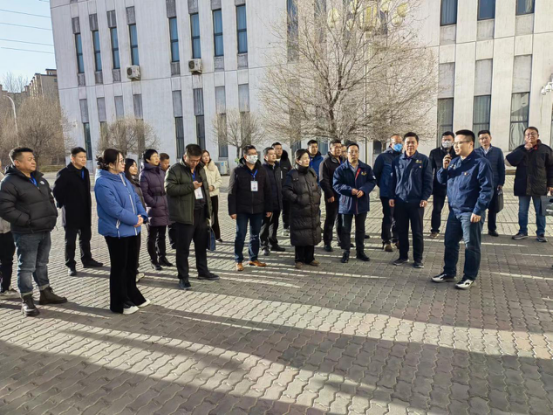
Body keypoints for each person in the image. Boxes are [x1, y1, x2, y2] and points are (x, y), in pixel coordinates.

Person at [0, 147, 67, 317]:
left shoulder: (39, 178)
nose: (33, 161)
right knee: (26, 267)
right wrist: (27, 221)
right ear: (17, 162)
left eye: (33, 158)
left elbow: (50, 199)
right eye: (29, 159)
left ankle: (45, 292)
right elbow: (5, 209)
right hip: (26, 232)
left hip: (44, 229)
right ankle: (27, 299)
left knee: (41, 263)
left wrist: (52, 216)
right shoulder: (9, 182)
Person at [432, 130, 493, 290]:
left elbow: (487, 189)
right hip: (455, 211)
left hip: (470, 212)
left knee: (471, 245)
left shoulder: (480, 163)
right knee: (450, 242)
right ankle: (449, 272)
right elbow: (441, 181)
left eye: (460, 143)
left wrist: (478, 210)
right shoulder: (454, 162)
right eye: (455, 143)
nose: (456, 146)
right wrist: (444, 168)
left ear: (470, 144)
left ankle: (469, 276)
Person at [95, 149, 150, 314]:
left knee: (132, 266)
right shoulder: (102, 182)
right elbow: (113, 209)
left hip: (133, 229)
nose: (123, 163)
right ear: (110, 164)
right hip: (117, 231)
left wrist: (142, 216)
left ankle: (132, 294)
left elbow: (135, 198)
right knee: (120, 268)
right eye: (120, 161)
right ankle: (119, 303)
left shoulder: (123, 178)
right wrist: (134, 219)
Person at [165, 144, 220, 290]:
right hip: (185, 215)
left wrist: (208, 211)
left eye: (197, 160)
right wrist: (191, 186)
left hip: (201, 212)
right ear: (185, 157)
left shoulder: (201, 168)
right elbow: (169, 189)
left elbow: (206, 190)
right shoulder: (175, 170)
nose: (194, 163)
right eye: (192, 160)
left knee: (201, 245)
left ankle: (203, 271)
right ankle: (183, 277)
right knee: (183, 249)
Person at [53, 147, 103, 277]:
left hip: (85, 211)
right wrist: (65, 204)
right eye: (81, 157)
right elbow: (57, 192)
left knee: (85, 238)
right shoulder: (64, 173)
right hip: (71, 213)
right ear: (73, 158)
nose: (83, 159)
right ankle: (70, 265)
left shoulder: (85, 171)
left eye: (85, 157)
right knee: (70, 241)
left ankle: (87, 259)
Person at [389, 132, 433, 268]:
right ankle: (403, 256)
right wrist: (391, 196)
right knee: (402, 231)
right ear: (404, 144)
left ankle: (418, 259)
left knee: (417, 232)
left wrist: (425, 197)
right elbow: (392, 180)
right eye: (407, 142)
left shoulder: (423, 160)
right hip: (400, 201)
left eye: (413, 142)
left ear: (417, 144)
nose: (410, 145)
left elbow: (428, 181)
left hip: (416, 202)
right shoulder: (397, 160)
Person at [228, 145, 273, 271]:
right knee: (240, 235)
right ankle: (238, 260)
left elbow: (267, 190)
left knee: (255, 235)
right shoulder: (237, 171)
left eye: (255, 153)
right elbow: (232, 192)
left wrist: (268, 208)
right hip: (242, 209)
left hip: (258, 209)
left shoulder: (262, 170)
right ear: (245, 156)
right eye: (251, 154)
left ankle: (253, 258)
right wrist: (232, 210)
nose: (254, 156)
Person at [506, 127, 553, 242]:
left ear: (538, 135)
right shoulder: (520, 149)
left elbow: (551, 168)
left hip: (540, 185)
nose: (530, 136)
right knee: (522, 211)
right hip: (523, 186)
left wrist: (551, 184)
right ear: (524, 137)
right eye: (528, 134)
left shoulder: (545, 150)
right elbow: (509, 162)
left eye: (533, 134)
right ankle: (523, 231)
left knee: (540, 211)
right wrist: (523, 150)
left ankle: (541, 234)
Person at [333, 143, 377, 263]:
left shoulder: (366, 168)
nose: (353, 154)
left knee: (360, 229)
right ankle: (346, 252)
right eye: (351, 151)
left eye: (356, 151)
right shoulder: (340, 169)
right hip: (346, 203)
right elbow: (337, 185)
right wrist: (350, 190)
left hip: (361, 202)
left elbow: (372, 181)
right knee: (345, 229)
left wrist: (363, 190)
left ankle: (360, 252)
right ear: (346, 153)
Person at [283, 149, 322, 269]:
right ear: (297, 160)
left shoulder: (311, 172)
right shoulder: (292, 174)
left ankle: (310, 258)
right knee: (300, 235)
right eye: (304, 158)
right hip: (299, 210)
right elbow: (286, 190)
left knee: (311, 234)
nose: (307, 160)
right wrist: (297, 199)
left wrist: (317, 196)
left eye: (308, 158)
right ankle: (299, 259)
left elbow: (317, 187)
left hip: (312, 209)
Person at [140, 149, 172, 270]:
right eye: (154, 157)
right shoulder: (144, 174)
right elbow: (144, 193)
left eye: (157, 156)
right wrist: (154, 203)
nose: (157, 158)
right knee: (152, 236)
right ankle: (153, 260)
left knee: (162, 235)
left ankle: (162, 257)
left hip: (164, 206)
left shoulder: (161, 171)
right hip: (153, 209)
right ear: (148, 159)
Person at [373, 134, 403, 252]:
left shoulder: (404, 156)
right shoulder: (383, 157)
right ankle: (386, 241)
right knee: (388, 217)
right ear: (391, 144)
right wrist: (383, 185)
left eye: (400, 142)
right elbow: (376, 173)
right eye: (396, 142)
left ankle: (397, 239)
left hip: (400, 193)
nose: (399, 145)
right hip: (386, 193)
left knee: (399, 217)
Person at [475, 130, 506, 236]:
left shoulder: (497, 151)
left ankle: (492, 229)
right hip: (479, 185)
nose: (484, 140)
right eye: (481, 138)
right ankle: (478, 229)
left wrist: (501, 182)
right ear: (479, 140)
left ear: (490, 138)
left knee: (493, 208)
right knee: (480, 207)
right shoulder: (475, 152)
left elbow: (501, 168)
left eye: (486, 138)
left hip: (493, 184)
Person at [429, 131, 455, 238]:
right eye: (444, 139)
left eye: (449, 140)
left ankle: (454, 231)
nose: (446, 142)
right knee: (437, 209)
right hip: (439, 185)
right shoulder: (434, 152)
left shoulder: (457, 152)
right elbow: (430, 170)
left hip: (454, 186)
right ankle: (435, 230)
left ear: (453, 141)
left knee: (453, 209)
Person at [319, 139, 344, 252]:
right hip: (332, 195)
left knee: (341, 219)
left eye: (340, 147)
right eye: (336, 147)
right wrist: (329, 194)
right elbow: (323, 180)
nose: (338, 149)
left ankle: (341, 240)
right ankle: (327, 242)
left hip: (343, 194)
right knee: (330, 219)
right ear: (330, 148)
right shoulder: (326, 162)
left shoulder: (343, 160)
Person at [260, 147, 285, 256]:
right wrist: (265, 205)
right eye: (271, 154)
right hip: (267, 202)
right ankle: (264, 246)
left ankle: (273, 243)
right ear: (265, 156)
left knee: (274, 224)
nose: (274, 155)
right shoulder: (262, 169)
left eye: (274, 153)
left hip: (277, 201)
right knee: (265, 225)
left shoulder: (277, 167)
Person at [124, 159, 146, 282]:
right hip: (132, 219)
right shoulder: (126, 182)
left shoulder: (134, 180)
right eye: (132, 166)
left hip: (138, 218)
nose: (135, 168)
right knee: (131, 248)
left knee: (136, 247)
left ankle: (134, 270)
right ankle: (131, 274)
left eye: (136, 165)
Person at [0, 160, 17, 298]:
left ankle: (5, 286)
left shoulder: (4, 179)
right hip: (3, 228)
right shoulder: (4, 181)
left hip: (6, 227)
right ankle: (4, 288)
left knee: (6, 260)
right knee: (6, 260)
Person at [201, 150, 223, 243]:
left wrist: (213, 186)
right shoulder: (199, 168)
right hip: (203, 195)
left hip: (213, 194)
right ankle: (204, 236)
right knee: (204, 216)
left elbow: (219, 180)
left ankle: (217, 236)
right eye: (204, 156)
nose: (206, 157)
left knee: (214, 215)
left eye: (207, 155)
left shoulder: (214, 167)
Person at [273, 142, 292, 236]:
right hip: (274, 191)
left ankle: (286, 227)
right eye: (277, 148)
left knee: (286, 210)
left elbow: (290, 173)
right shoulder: (271, 161)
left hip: (285, 189)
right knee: (275, 212)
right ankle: (272, 232)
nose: (279, 150)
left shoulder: (285, 160)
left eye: (280, 148)